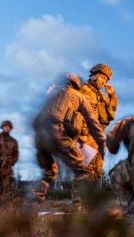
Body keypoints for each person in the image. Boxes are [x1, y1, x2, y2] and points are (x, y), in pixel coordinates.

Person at [33, 73, 106, 202]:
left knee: (49, 172)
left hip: (40, 136)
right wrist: (102, 141)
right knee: (82, 171)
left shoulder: (51, 95)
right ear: (76, 84)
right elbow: (93, 122)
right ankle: (82, 208)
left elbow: (37, 118)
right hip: (58, 133)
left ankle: (32, 204)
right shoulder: (78, 96)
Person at [79, 63, 118, 181]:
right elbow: (79, 112)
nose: (104, 82)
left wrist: (112, 95)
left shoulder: (102, 96)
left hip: (99, 136)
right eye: (103, 77)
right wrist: (83, 134)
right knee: (86, 168)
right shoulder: (83, 89)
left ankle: (90, 198)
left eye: (106, 79)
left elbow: (111, 113)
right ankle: (78, 199)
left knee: (97, 170)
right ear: (95, 75)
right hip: (88, 134)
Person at [0, 120, 19, 196]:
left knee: (5, 184)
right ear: (2, 127)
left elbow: (16, 153)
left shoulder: (13, 141)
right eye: (5, 127)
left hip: (8, 165)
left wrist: (12, 161)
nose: (7, 128)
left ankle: (2, 200)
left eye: (9, 127)